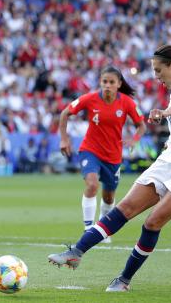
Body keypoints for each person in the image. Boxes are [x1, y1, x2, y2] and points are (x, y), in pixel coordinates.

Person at [48, 45, 171, 292]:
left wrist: (165, 112)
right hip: (170, 159)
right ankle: (76, 251)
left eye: (159, 71)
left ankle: (123, 280)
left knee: (152, 222)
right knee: (124, 207)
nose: (157, 77)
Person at [59, 66, 146, 238]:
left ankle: (102, 229)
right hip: (90, 150)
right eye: (104, 81)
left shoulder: (127, 103)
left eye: (111, 82)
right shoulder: (90, 99)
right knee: (92, 185)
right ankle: (88, 229)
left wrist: (134, 139)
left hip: (113, 157)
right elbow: (65, 113)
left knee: (108, 197)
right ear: (100, 82)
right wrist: (64, 138)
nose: (107, 85)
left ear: (119, 84)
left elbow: (141, 125)